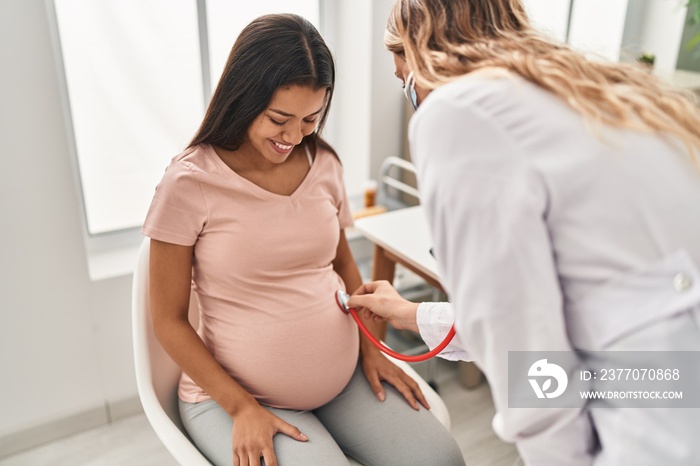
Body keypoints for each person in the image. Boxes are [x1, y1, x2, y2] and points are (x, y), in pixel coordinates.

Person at [348, 1, 700, 465]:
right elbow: (542, 309)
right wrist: (412, 314)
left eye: (404, 81)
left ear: (421, 53)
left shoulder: (458, 111)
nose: (411, 96)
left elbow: (533, 365)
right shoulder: (601, 91)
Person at [142, 13, 464, 466]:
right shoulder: (188, 183)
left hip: (346, 378)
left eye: (311, 118)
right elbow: (168, 321)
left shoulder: (324, 163)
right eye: (279, 119)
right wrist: (241, 408)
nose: (294, 136)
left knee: (439, 459)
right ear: (243, 97)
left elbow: (344, 267)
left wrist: (373, 350)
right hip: (239, 397)